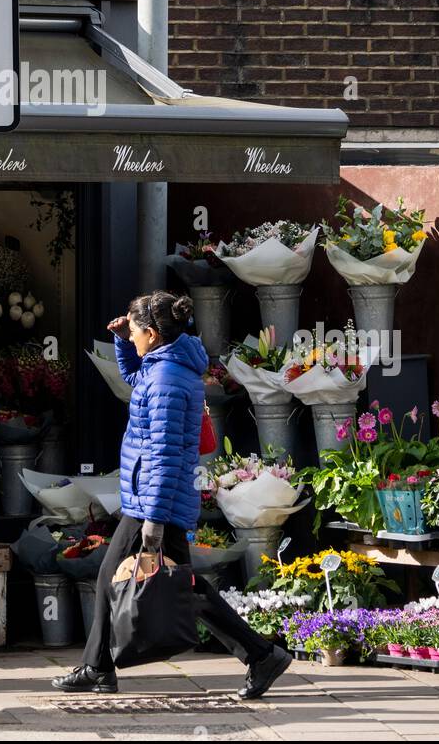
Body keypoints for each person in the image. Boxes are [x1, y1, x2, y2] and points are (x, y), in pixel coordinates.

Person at [52, 291, 291, 699]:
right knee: (185, 584)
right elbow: (134, 380)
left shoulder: (165, 379)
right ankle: (259, 654)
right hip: (156, 497)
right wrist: (123, 346)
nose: (130, 335)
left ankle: (98, 667)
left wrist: (154, 520)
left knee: (117, 575)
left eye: (133, 331)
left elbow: (164, 453)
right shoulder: (166, 366)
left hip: (154, 501)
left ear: (151, 333)